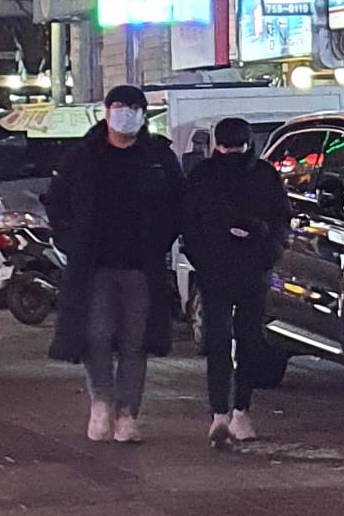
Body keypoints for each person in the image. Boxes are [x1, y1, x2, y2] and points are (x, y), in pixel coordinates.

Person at [45, 86, 183, 444]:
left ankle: (127, 414)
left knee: (136, 341)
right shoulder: (82, 156)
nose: (126, 113)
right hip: (94, 264)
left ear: (144, 114)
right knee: (97, 335)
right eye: (119, 106)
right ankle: (102, 402)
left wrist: (161, 238)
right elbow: (56, 201)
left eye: (134, 107)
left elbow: (178, 203)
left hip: (142, 265)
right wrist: (71, 239)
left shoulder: (158, 156)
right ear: (106, 111)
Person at [181, 118, 291, 452]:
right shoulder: (261, 174)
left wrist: (204, 257)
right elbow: (281, 222)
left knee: (222, 340)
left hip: (227, 270)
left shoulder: (204, 175)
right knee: (245, 339)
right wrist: (267, 250)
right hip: (242, 270)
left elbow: (189, 225)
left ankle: (223, 412)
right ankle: (237, 412)